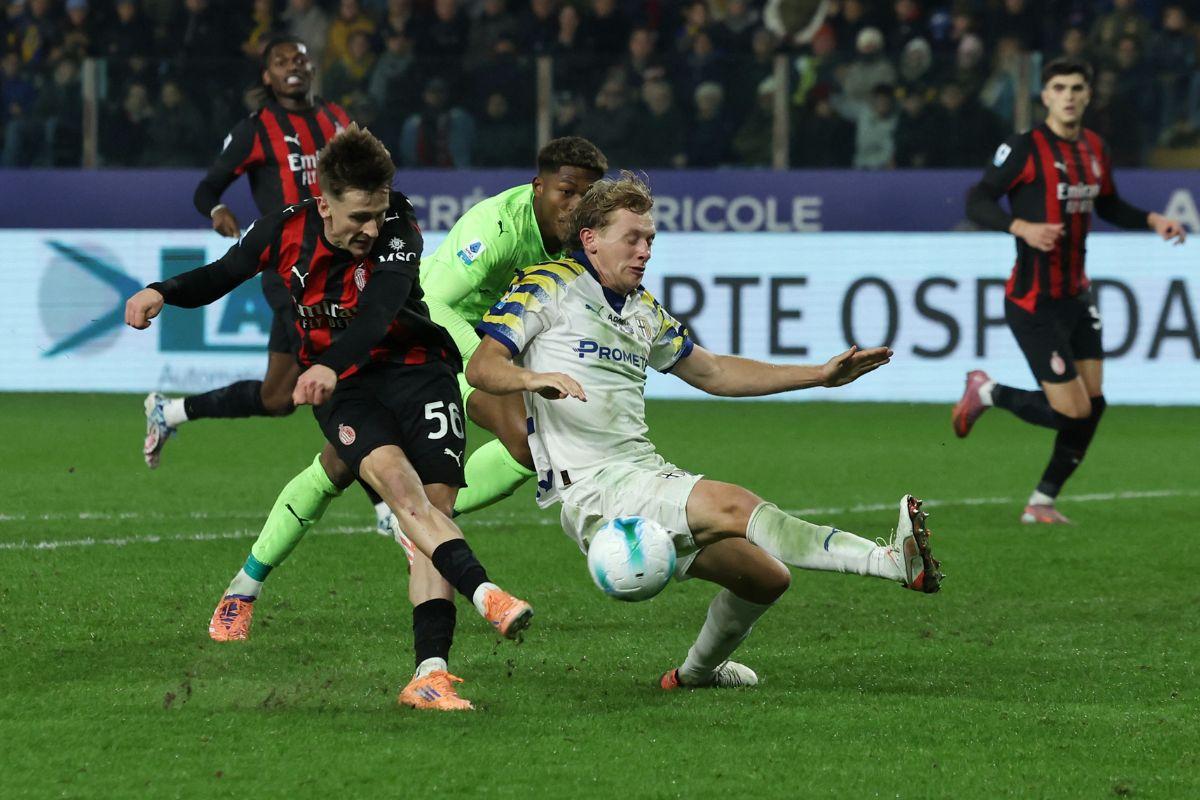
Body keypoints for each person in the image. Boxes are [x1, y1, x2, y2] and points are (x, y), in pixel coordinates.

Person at [467, 173, 942, 690]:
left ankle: (693, 675)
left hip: (641, 473)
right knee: (736, 505)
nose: (645, 250)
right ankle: (892, 562)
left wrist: (820, 376)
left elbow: (712, 372)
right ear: (591, 238)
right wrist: (534, 378)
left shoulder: (643, 311)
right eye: (632, 238)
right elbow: (483, 369)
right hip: (594, 487)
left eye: (650, 239)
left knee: (764, 578)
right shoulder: (547, 285)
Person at [182, 136, 607, 710]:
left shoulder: (574, 238)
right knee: (476, 459)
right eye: (567, 191)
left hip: (414, 361)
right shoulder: (496, 230)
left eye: (587, 195)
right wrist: (490, 364)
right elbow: (432, 298)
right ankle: (249, 585)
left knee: (349, 472)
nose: (576, 204)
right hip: (432, 336)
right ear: (540, 187)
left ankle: (423, 652)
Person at [957, 57, 1186, 524]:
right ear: (1046, 96)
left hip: (1076, 298)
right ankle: (988, 393)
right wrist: (1021, 226)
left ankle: (1041, 502)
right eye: (1059, 87)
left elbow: (1108, 204)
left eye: (1077, 87)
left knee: (1093, 405)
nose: (1068, 95)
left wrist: (1151, 220)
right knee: (1073, 411)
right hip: (1033, 302)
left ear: (1087, 95)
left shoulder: (1095, 148)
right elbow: (977, 200)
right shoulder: (1023, 148)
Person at [143, 37, 350, 471]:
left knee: (277, 398)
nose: (292, 66)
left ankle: (171, 411)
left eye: (299, 58)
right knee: (336, 369)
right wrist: (217, 209)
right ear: (267, 76)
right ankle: (386, 506)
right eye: (281, 61)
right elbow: (206, 188)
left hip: (339, 267)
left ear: (312, 67)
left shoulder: (337, 119)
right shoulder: (255, 129)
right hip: (288, 269)